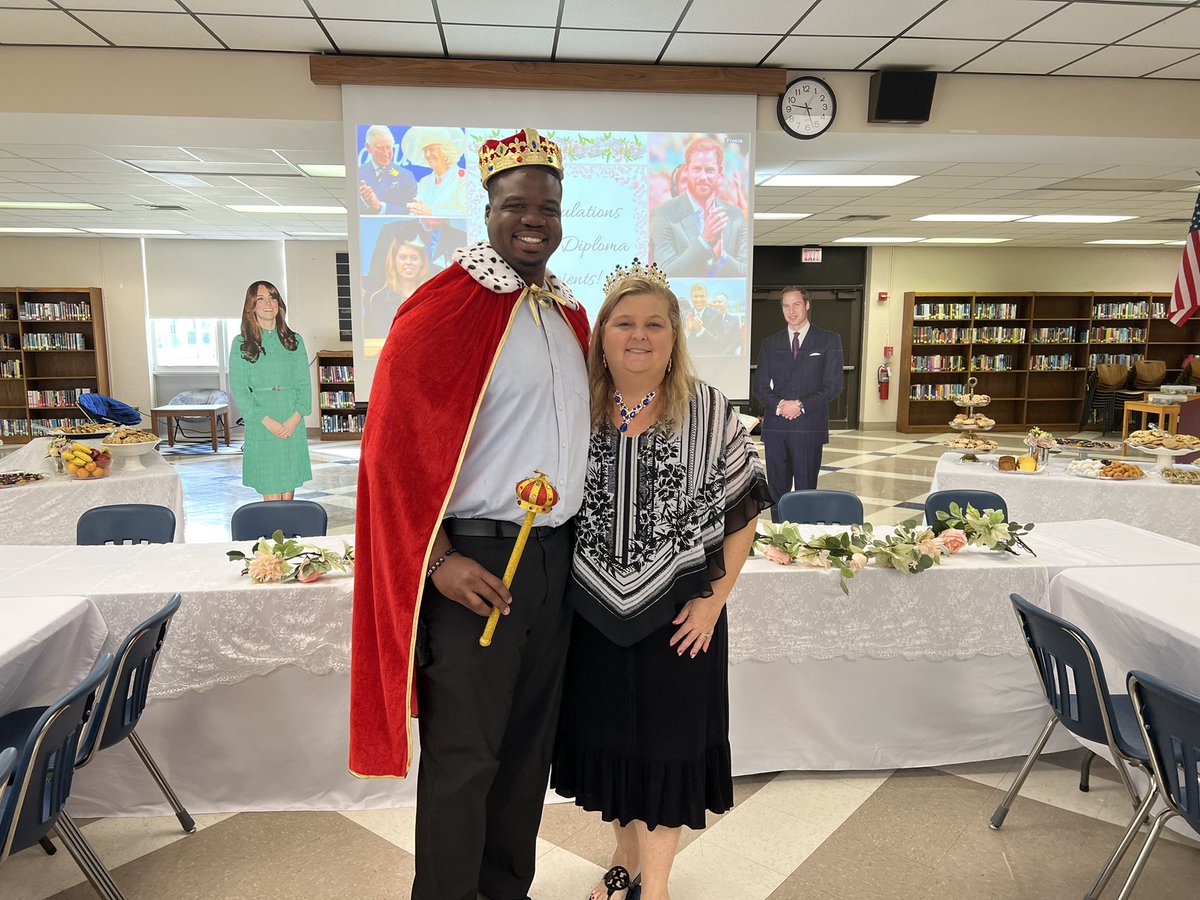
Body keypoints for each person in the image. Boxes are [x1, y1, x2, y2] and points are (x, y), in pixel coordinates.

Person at [350, 128, 591, 900]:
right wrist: (438, 559)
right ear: (486, 210)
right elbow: (392, 452)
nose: (533, 220)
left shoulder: (566, 314)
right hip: (476, 564)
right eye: (515, 205)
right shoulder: (442, 309)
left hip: (555, 564)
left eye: (546, 207)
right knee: (465, 760)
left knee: (526, 754)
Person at [552, 262, 771, 900]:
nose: (639, 335)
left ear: (674, 337)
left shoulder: (708, 409)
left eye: (654, 324)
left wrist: (713, 605)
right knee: (612, 746)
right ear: (601, 334)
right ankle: (626, 860)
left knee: (669, 750)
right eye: (624, 322)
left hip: (682, 613)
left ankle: (659, 888)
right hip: (591, 614)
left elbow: (741, 514)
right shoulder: (575, 406)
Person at [753, 285, 844, 519]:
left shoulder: (828, 341)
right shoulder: (770, 344)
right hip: (776, 427)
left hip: (808, 427)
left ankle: (804, 541)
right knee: (777, 491)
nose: (791, 311)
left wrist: (800, 405)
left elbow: (833, 385)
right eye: (785, 306)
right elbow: (760, 387)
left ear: (807, 305)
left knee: (805, 491)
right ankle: (778, 540)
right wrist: (780, 404)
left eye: (796, 304)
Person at [228, 281, 313, 501]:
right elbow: (240, 391)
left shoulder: (294, 341)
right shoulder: (241, 344)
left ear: (279, 304)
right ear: (251, 306)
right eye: (261, 299)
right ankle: (274, 534)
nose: (268, 303)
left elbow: (304, 383)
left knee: (289, 489)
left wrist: (295, 418)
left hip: (291, 419)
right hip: (262, 422)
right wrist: (267, 421)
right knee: (272, 490)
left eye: (273, 297)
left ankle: (289, 536)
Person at [649, 137, 749, 278]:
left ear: (719, 171)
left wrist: (721, 256)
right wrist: (704, 241)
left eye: (709, 170)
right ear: (687, 169)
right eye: (697, 169)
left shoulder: (736, 216)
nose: (703, 176)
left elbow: (745, 273)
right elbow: (664, 274)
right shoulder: (663, 214)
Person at [362, 230, 434, 339]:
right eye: (403, 257)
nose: (408, 262)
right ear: (394, 260)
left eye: (414, 258)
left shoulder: (433, 298)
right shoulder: (379, 300)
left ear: (422, 262)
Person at [402, 126, 468, 218]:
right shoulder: (424, 181)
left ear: (445, 151)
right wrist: (413, 211)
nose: (427, 155)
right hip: (424, 230)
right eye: (425, 151)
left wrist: (432, 213)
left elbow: (465, 212)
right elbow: (419, 211)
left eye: (432, 149)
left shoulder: (463, 178)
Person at [358, 124, 417, 215]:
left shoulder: (406, 177)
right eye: (380, 148)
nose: (386, 153)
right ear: (368, 147)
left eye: (389, 147)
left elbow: (412, 212)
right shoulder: (357, 174)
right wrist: (366, 201)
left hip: (395, 228)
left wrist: (380, 207)